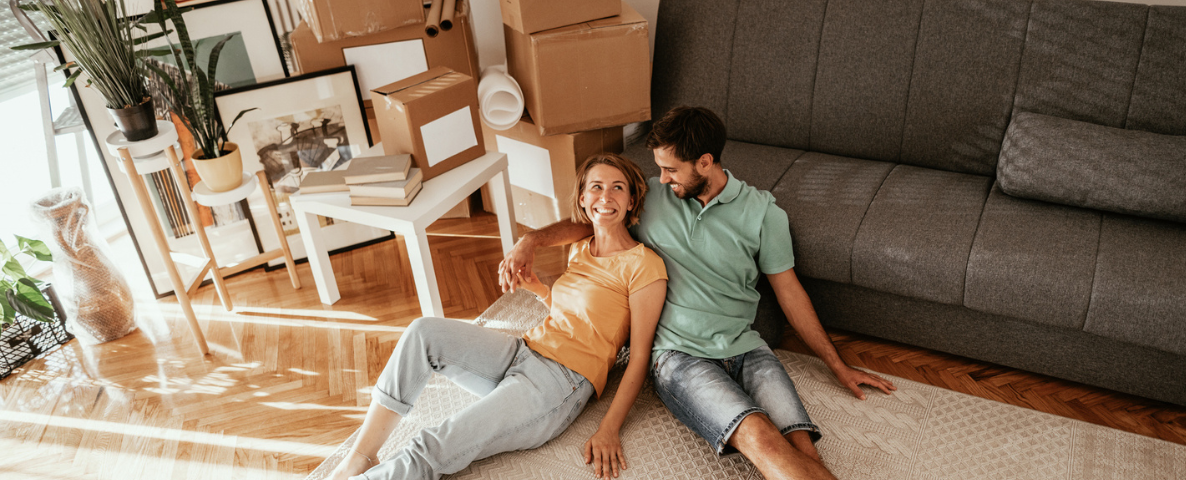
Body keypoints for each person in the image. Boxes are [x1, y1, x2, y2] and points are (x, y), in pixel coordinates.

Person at [498, 106, 896, 480]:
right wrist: (531, 240)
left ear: (705, 162)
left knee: (804, 449)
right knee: (759, 438)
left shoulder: (763, 214)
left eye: (671, 169)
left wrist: (836, 364)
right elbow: (590, 223)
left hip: (747, 348)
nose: (663, 178)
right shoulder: (653, 196)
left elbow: (790, 293)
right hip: (680, 357)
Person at [330, 154, 667, 480]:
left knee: (435, 443)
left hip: (559, 383)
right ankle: (361, 456)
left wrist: (608, 429)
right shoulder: (580, 246)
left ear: (632, 198)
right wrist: (538, 289)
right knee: (423, 333)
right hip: (523, 350)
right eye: (596, 187)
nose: (605, 196)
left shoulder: (644, 265)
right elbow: (577, 316)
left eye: (617, 187)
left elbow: (638, 357)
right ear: (582, 198)